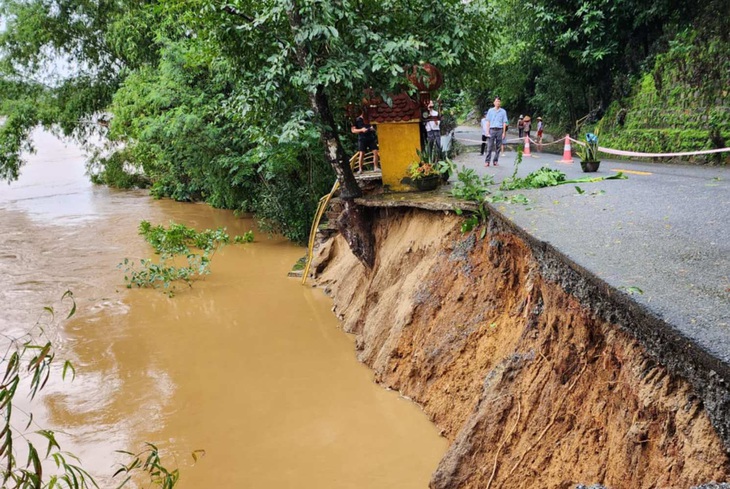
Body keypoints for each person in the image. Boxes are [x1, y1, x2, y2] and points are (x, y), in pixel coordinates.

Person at [351, 108, 380, 174]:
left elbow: (375, 127)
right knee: (362, 153)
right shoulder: (357, 120)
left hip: (370, 138)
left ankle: (376, 167)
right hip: (362, 138)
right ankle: (360, 169)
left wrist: (373, 129)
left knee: (375, 151)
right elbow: (353, 130)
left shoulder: (370, 119)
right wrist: (361, 130)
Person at [484, 96, 508, 167]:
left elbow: (504, 123)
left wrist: (504, 132)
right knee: (490, 146)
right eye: (497, 101)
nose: (498, 103)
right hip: (492, 130)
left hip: (499, 130)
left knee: (498, 147)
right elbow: (488, 121)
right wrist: (487, 131)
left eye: (499, 101)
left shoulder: (503, 111)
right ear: (494, 102)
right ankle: (487, 161)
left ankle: (495, 160)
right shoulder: (490, 111)